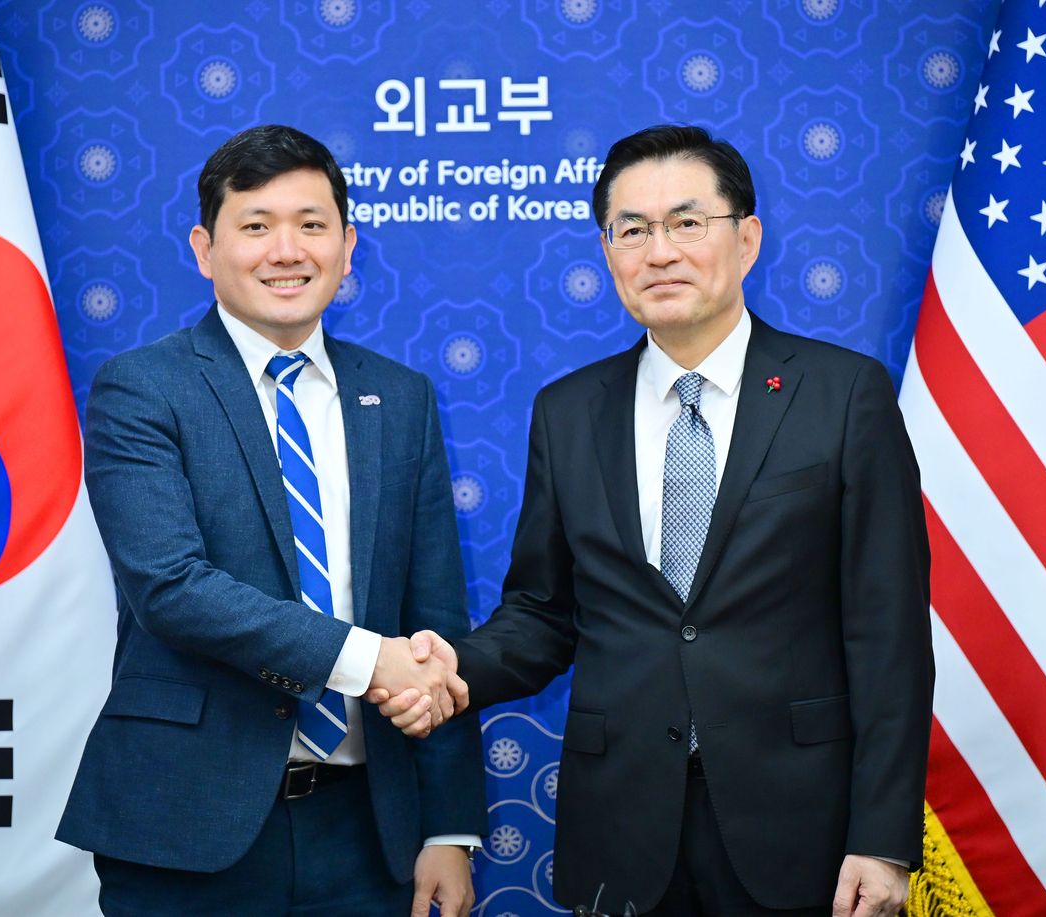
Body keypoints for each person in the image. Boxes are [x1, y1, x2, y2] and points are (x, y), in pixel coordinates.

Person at [374, 125, 933, 917]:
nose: (658, 251)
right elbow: (542, 616)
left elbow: (890, 636)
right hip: (624, 828)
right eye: (631, 229)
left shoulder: (844, 395)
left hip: (802, 828)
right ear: (608, 251)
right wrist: (450, 670)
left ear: (747, 238)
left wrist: (881, 838)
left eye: (686, 222)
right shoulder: (568, 411)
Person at [56, 125, 485, 917]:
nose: (286, 250)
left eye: (312, 225)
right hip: (188, 825)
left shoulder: (401, 396)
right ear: (204, 247)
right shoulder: (142, 389)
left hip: (370, 831)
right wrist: (368, 661)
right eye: (255, 225)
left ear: (348, 245)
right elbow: (171, 587)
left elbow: (433, 626)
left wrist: (449, 828)